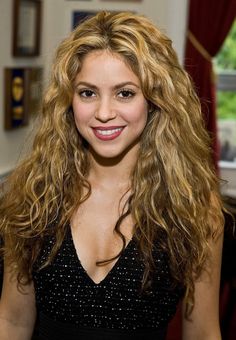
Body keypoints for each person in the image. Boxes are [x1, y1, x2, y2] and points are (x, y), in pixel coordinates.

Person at [0, 11, 225, 340]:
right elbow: (12, 321)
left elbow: (203, 332)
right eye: (88, 93)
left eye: (125, 93)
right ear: (69, 100)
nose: (104, 113)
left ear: (154, 99)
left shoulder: (193, 209)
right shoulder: (36, 194)